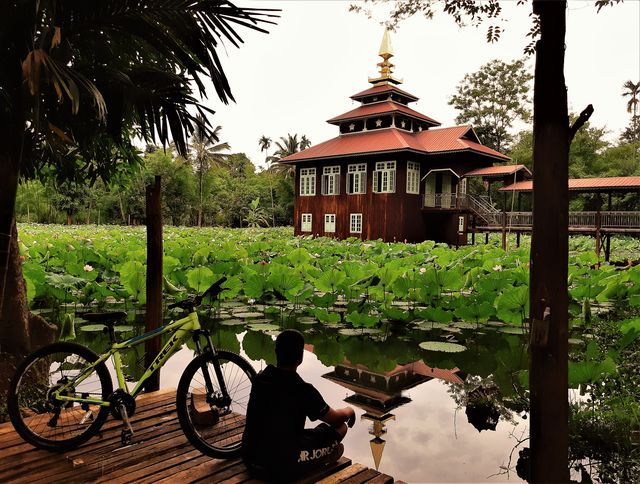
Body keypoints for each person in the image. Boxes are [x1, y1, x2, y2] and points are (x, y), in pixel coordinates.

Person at [242, 329, 356, 482]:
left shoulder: (260, 379)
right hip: (280, 466)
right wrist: (349, 410)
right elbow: (335, 420)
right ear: (301, 357)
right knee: (341, 428)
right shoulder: (303, 389)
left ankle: (320, 454)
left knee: (304, 434)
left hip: (251, 459)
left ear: (276, 352)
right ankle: (321, 459)